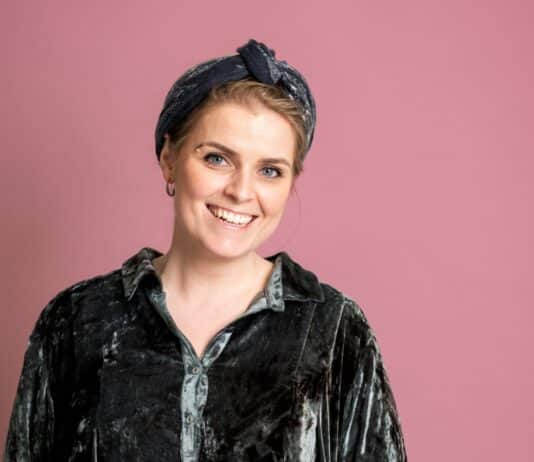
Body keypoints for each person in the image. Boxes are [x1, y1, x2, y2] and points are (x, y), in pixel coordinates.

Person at [3, 39, 407, 461]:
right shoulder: (76, 320)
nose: (241, 191)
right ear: (169, 159)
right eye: (217, 159)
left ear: (290, 184)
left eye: (270, 170)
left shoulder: (335, 330)